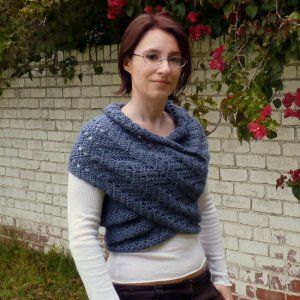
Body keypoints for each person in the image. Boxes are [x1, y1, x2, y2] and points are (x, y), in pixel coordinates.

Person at [67, 13, 233, 300]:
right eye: (152, 56)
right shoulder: (98, 138)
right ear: (127, 62)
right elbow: (83, 235)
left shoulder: (190, 132)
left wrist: (222, 280)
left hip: (202, 286)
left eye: (174, 58)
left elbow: (205, 209)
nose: (164, 68)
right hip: (138, 292)